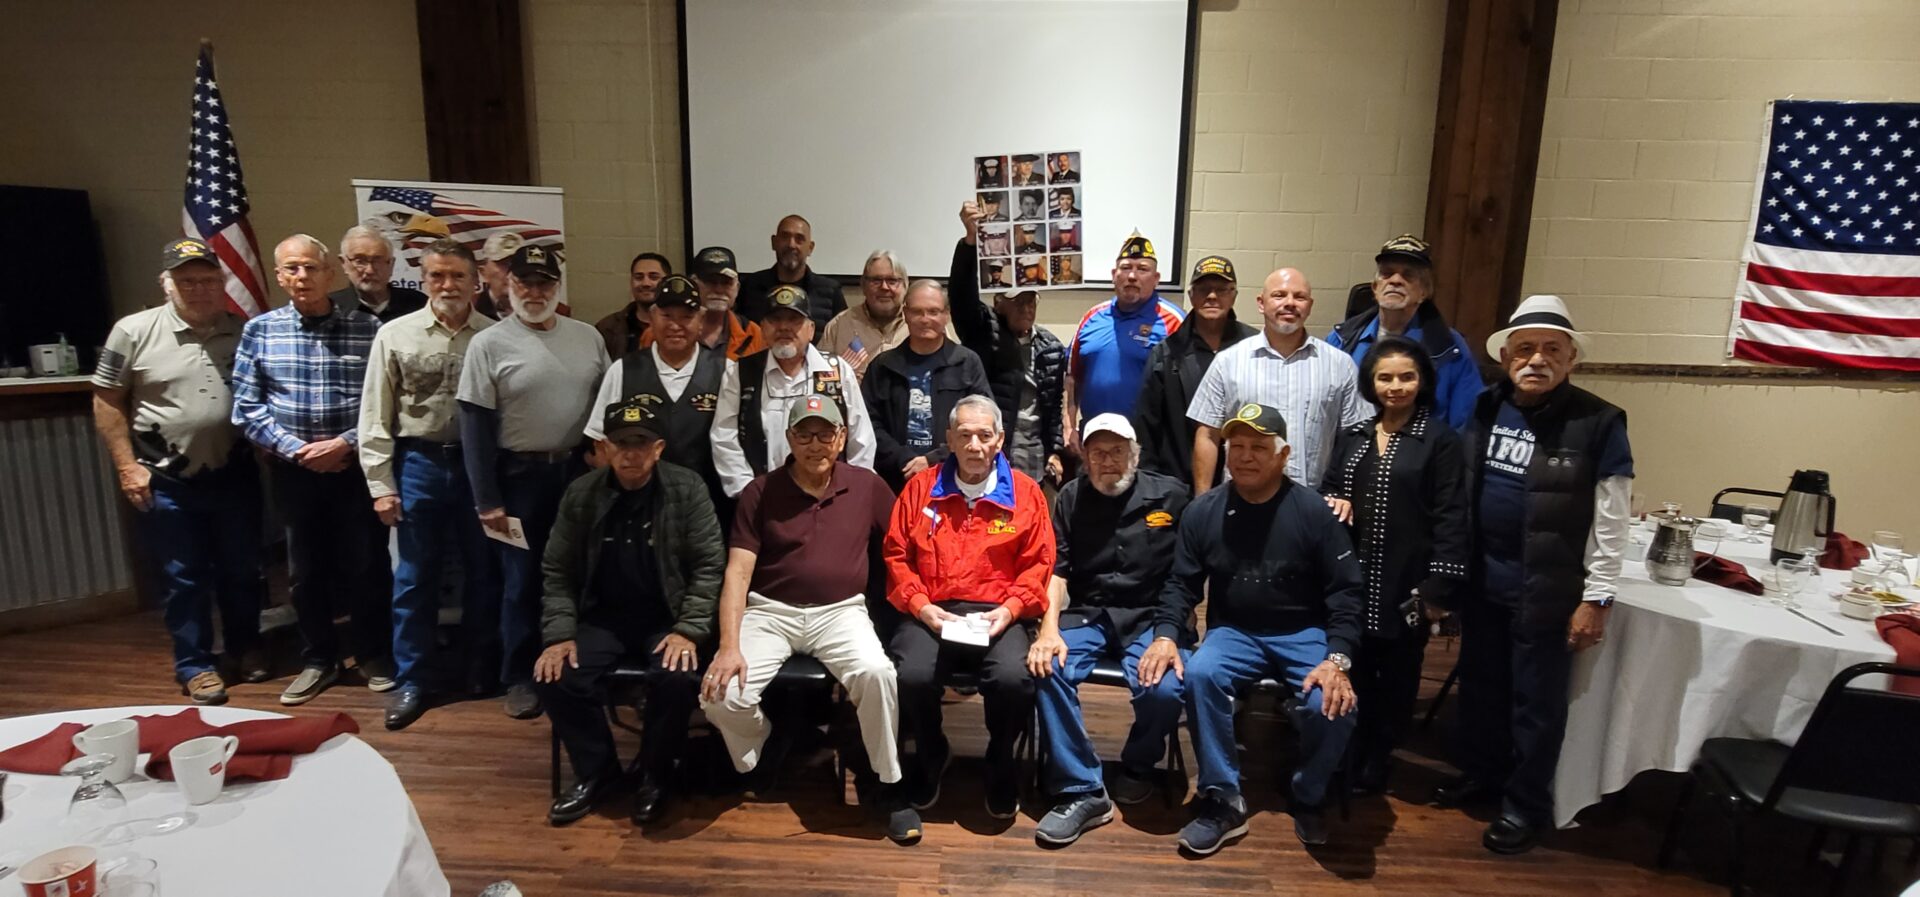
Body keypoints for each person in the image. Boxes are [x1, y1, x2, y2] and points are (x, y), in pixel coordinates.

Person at [1434, 294, 1632, 855]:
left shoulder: (1599, 423)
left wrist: (1598, 597)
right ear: (1506, 358)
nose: (1536, 359)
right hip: (1484, 582)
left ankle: (1525, 806)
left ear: (1571, 359)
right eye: (1525, 349)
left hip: (1548, 590)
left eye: (1551, 349)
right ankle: (1483, 776)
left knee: (1535, 707)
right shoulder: (1485, 407)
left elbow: (1613, 520)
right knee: (1482, 690)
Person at [1143, 403, 1363, 855]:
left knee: (1335, 703)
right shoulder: (1203, 511)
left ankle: (1306, 792)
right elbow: (1181, 585)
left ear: (1283, 456)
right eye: (1236, 446)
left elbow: (1346, 593)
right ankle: (1223, 798)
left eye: (1259, 447)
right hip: (1235, 631)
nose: (1245, 456)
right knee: (1200, 674)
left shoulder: (1313, 512)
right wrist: (1166, 634)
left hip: (1304, 632)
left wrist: (1337, 658)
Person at [699, 396, 921, 843]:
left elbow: (906, 546)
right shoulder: (760, 492)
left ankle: (889, 784)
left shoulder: (867, 486)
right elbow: (738, 572)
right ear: (789, 438)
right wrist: (728, 646)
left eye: (825, 434)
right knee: (720, 698)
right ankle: (765, 745)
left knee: (878, 674)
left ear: (842, 438)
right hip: (769, 612)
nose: (815, 444)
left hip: (841, 612)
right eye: (805, 433)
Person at [92, 238, 267, 705]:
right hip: (165, 479)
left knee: (242, 570)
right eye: (187, 280)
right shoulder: (132, 332)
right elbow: (106, 401)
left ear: (221, 283)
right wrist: (128, 468)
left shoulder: (243, 329)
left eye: (208, 280)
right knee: (183, 576)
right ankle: (195, 664)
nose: (199, 289)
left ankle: (245, 647)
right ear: (166, 284)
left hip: (235, 474)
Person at [537, 398, 723, 828]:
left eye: (640, 444)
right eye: (621, 444)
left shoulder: (687, 488)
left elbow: (709, 567)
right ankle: (598, 773)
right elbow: (557, 570)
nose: (630, 454)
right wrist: (559, 634)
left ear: (658, 448)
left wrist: (689, 631)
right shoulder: (581, 494)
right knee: (556, 675)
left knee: (676, 676)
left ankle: (656, 775)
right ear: (604, 448)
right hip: (604, 618)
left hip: (668, 616)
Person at [231, 234, 388, 706]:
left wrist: (344, 444)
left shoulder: (368, 330)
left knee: (365, 566)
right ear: (279, 276)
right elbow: (246, 405)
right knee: (305, 571)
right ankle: (319, 658)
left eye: (311, 268)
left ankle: (371, 653)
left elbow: (384, 404)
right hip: (293, 470)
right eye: (291, 269)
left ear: (331, 274)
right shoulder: (259, 331)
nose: (302, 277)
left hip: (354, 466)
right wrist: (297, 450)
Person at [459, 242, 611, 720]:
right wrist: (487, 499)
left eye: (544, 283)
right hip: (517, 478)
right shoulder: (488, 343)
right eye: (524, 282)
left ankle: (575, 664)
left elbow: (607, 406)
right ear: (507, 284)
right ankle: (520, 675)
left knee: (580, 573)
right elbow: (474, 426)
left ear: (557, 287)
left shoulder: (587, 337)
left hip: (575, 474)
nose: (534, 290)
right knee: (521, 582)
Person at [884, 395, 1054, 820]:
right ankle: (931, 751)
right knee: (912, 675)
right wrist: (921, 607)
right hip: (932, 609)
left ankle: (1000, 758)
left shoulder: (1028, 494)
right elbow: (896, 557)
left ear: (999, 440)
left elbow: (1039, 564)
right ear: (949, 440)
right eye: (964, 435)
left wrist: (1013, 609)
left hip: (997, 612)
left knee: (1014, 678)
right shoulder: (919, 489)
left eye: (984, 435)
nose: (975, 445)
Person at [1027, 414, 1190, 845]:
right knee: (1048, 667)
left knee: (1166, 688)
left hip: (1151, 616)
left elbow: (1184, 577)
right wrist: (1048, 631)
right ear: (1084, 456)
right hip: (1088, 613)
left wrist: (1169, 634)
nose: (1107, 461)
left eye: (1117, 451)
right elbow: (1056, 572)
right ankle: (1082, 789)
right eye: (1097, 452)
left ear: (1134, 455)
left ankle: (1139, 764)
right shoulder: (1070, 497)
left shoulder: (1172, 496)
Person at [1317, 336, 1470, 791]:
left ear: (1422, 382)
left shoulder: (1439, 441)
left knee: (1398, 674)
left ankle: (1380, 755)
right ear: (1370, 382)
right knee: (1353, 663)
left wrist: (1440, 586)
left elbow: (1450, 514)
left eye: (1407, 376)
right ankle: (1346, 745)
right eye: (1385, 377)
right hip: (1351, 577)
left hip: (1407, 580)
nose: (1396, 386)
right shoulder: (1355, 435)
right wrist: (1335, 499)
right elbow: (1329, 486)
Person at [358, 238, 497, 730]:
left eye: (458, 276)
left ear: (475, 281)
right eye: (437, 275)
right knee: (415, 577)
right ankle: (414, 678)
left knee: (485, 572)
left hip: (479, 468)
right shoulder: (395, 335)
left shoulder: (493, 336)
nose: (447, 285)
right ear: (423, 280)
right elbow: (374, 414)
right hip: (417, 464)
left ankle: (480, 667)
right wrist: (381, 484)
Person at [1187, 267, 1366, 493]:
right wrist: (1203, 501)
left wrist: (1346, 495)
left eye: (1299, 297)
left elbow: (1356, 439)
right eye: (1279, 295)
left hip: (1314, 504)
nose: (1289, 303)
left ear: (1309, 306)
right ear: (1261, 303)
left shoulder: (1340, 365)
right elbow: (1208, 435)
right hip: (1241, 502)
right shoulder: (1228, 362)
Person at [586, 275, 734, 517]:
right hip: (637, 509)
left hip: (708, 508)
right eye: (667, 316)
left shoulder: (726, 370)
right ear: (652, 318)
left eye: (686, 317)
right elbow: (600, 443)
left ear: (700, 321)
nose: (676, 325)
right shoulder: (623, 370)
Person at [712, 284, 877, 498]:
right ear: (763, 327)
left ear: (810, 329)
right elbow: (724, 436)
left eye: (794, 321)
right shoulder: (740, 372)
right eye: (775, 320)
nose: (784, 328)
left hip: (829, 499)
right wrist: (747, 491)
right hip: (762, 501)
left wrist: (853, 493)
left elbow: (861, 437)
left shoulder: (837, 371)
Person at [952, 202, 1067, 483]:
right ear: (999, 302)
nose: (1026, 307)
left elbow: (1053, 407)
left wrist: (1056, 451)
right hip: (990, 455)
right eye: (1018, 300)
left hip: (1035, 459)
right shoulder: (982, 329)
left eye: (1031, 300)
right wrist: (969, 242)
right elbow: (961, 294)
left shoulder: (1050, 346)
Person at [1328, 235, 1483, 428]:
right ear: (1375, 288)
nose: (1395, 281)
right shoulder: (1341, 340)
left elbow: (1465, 421)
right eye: (1387, 273)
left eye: (1408, 275)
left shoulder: (1449, 347)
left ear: (1424, 292)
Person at [1134, 255, 1256, 486]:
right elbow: (1146, 426)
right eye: (1203, 289)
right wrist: (1152, 486)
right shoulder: (1167, 353)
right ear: (1191, 295)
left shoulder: (1254, 348)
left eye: (1221, 289)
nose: (1212, 296)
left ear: (1234, 295)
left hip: (1245, 485)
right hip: (1177, 484)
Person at [861, 280, 991, 492]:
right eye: (917, 312)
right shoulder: (883, 366)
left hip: (953, 478)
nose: (925, 319)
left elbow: (984, 423)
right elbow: (868, 424)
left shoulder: (967, 363)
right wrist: (903, 459)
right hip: (894, 480)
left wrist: (933, 459)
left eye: (933, 312)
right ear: (905, 313)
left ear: (946, 314)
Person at [1064, 232, 1184, 451]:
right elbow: (1072, 378)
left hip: (1149, 446)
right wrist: (1069, 427)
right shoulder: (1091, 318)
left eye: (1143, 269)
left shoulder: (1174, 322)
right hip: (1094, 442)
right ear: (1113, 274)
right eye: (1126, 267)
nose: (1132, 276)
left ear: (1156, 278)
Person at [646, 246, 766, 361]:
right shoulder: (660, 332)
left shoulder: (753, 333)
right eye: (711, 282)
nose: (719, 290)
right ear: (693, 284)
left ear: (737, 288)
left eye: (726, 283)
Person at [738, 215, 845, 334]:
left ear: (810, 248)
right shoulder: (749, 286)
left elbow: (843, 338)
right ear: (774, 242)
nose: (791, 245)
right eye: (785, 237)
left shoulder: (830, 291)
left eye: (799, 239)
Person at [820, 249, 908, 376]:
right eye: (876, 281)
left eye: (892, 281)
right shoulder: (839, 326)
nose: (884, 287)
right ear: (863, 286)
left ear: (905, 285)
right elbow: (820, 377)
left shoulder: (924, 324)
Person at [330, 225, 426, 325]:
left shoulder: (418, 305)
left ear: (391, 264)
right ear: (344, 263)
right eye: (360, 261)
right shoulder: (329, 309)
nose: (370, 270)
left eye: (378, 261)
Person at [593, 252, 672, 357]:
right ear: (631, 282)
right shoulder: (607, 328)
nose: (646, 283)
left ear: (669, 281)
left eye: (653, 277)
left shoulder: (685, 325)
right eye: (639, 277)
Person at [475, 232, 524, 320]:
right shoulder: (469, 312)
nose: (513, 271)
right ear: (483, 273)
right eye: (505, 264)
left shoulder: (543, 310)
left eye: (518, 263)